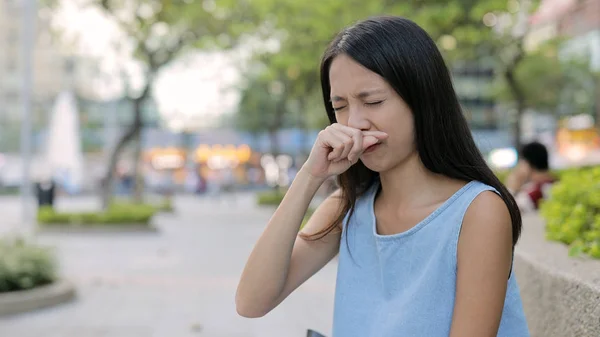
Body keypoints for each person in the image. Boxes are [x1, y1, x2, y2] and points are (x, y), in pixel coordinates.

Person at [236, 16, 530, 337]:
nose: (356, 122)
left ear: (422, 98)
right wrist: (310, 175)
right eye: (340, 106)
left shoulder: (478, 212)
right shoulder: (347, 206)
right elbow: (252, 302)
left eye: (372, 101)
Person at [506, 141, 557, 212]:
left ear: (526, 163)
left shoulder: (532, 193)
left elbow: (507, 211)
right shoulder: (556, 184)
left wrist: (512, 189)